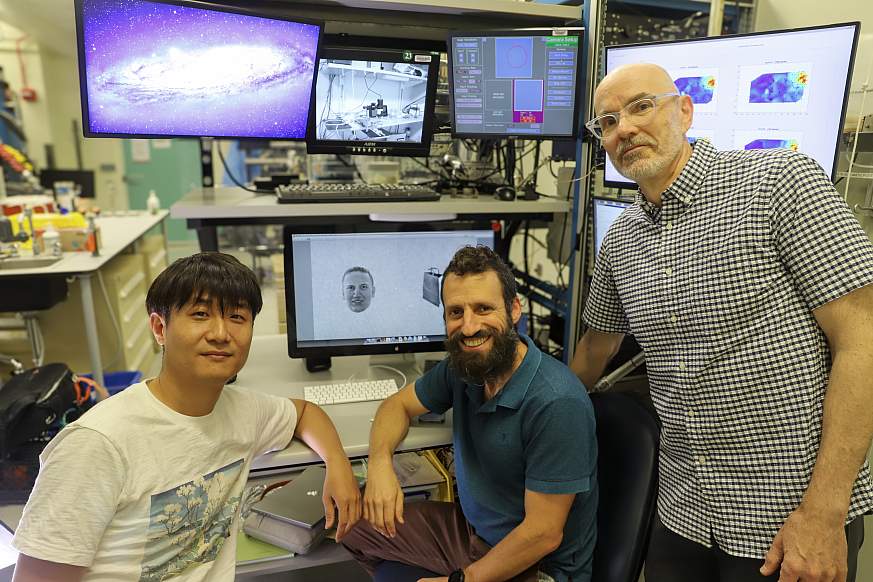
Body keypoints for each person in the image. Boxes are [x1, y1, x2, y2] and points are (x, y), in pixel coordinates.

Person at [572, 62, 873, 582]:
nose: (624, 129)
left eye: (641, 106)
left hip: (785, 519)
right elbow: (592, 355)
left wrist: (824, 514)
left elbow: (863, 338)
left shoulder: (779, 182)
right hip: (682, 512)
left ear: (684, 111)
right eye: (607, 122)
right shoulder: (621, 240)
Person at [12, 252, 361, 581]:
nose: (221, 333)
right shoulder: (96, 444)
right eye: (200, 314)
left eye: (236, 317)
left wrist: (338, 465)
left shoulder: (242, 411)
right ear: (160, 328)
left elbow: (304, 412)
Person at [342, 245, 598, 582]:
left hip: (536, 566)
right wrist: (379, 466)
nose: (469, 326)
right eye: (456, 312)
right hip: (474, 534)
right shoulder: (465, 368)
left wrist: (461, 580)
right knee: (352, 525)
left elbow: (543, 534)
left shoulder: (556, 401)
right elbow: (396, 406)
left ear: (515, 309)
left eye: (483, 308)